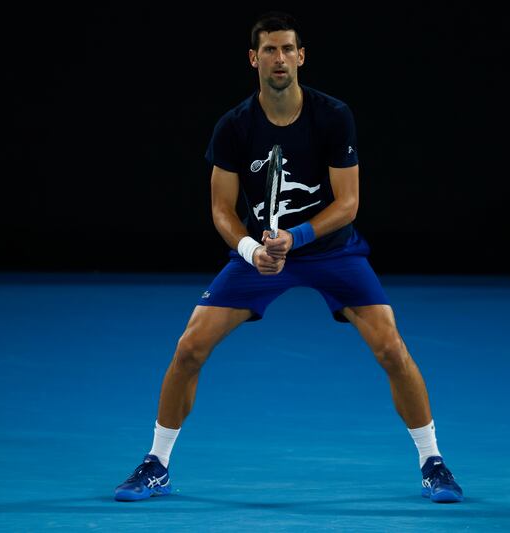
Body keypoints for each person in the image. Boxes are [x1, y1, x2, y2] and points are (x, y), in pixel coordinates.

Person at [114, 11, 463, 504]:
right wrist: (253, 249)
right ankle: (156, 464)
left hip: (331, 251)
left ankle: (434, 463)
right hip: (261, 256)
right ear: (254, 59)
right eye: (270, 50)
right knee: (189, 347)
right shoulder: (233, 127)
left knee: (390, 348)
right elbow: (220, 210)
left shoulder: (333, 115)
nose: (280, 59)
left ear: (301, 56)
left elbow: (348, 204)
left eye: (288, 49)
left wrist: (295, 238)